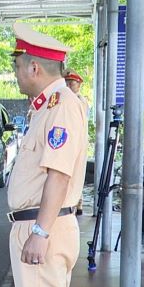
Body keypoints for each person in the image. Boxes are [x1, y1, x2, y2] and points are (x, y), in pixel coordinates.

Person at [1, 24, 87, 287]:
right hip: (38, 225)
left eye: (18, 66)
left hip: (43, 226)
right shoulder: (47, 106)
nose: (16, 74)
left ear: (34, 67)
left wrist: (40, 230)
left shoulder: (61, 106)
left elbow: (58, 175)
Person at [64, 69, 87, 216]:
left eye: (71, 83)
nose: (68, 86)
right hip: (68, 142)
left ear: (78, 85)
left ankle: (77, 203)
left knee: (75, 175)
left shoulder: (80, 101)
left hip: (76, 142)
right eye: (66, 83)